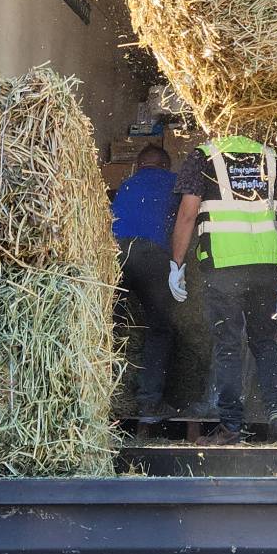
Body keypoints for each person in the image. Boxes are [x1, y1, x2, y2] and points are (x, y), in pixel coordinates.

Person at [170, 134, 277, 444]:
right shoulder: (270, 155)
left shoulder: (203, 155)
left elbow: (188, 213)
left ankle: (231, 425)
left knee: (228, 344)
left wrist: (176, 263)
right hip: (265, 264)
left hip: (223, 264)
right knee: (265, 340)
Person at [110, 145, 182, 422]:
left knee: (111, 327)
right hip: (152, 254)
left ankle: (109, 399)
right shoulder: (174, 183)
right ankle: (149, 404)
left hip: (115, 255)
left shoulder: (126, 185)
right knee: (160, 329)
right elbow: (186, 220)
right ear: (166, 165)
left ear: (138, 165)